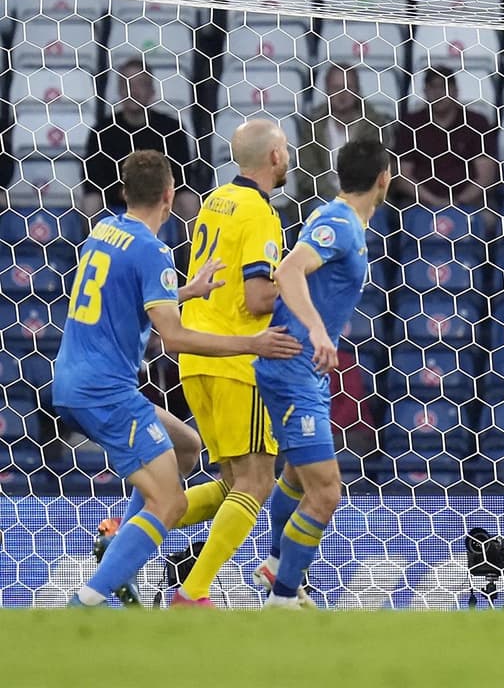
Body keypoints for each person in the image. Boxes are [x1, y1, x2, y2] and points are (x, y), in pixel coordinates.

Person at [55, 149, 300, 607]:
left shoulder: (104, 231)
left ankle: (118, 542)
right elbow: (173, 337)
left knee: (187, 446)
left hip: (76, 380)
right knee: (169, 503)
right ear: (170, 196)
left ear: (124, 191)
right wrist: (252, 344)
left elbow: (125, 294)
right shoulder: (154, 250)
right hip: (106, 391)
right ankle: (87, 600)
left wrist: (186, 290)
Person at [253, 138, 392, 608]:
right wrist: (317, 330)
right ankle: (284, 597)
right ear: (383, 180)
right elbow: (289, 271)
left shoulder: (335, 216)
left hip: (300, 367)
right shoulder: (340, 224)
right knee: (327, 492)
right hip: (294, 363)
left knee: (296, 473)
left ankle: (276, 564)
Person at [171, 119, 291, 607]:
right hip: (239, 360)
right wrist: (306, 283)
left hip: (197, 357)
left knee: (229, 487)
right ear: (275, 158)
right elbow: (259, 296)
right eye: (285, 148)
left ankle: (125, 534)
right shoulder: (261, 213)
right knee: (257, 483)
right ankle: (194, 594)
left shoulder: (214, 201)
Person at [81, 59, 199, 224]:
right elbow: (93, 180)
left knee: (190, 202)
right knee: (90, 204)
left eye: (140, 84)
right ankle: (95, 249)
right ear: (119, 91)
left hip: (161, 199)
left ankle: (187, 250)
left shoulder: (172, 128)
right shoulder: (102, 131)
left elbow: (182, 176)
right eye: (126, 85)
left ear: (152, 91)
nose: (133, 91)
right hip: (117, 199)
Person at [296, 64, 393, 220]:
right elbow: (306, 172)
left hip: (366, 197)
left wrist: (355, 197)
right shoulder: (313, 126)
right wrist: (337, 197)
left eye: (348, 87)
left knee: (377, 217)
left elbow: (380, 170)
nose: (342, 94)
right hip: (323, 198)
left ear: (357, 90)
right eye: (336, 88)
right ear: (326, 90)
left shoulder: (374, 124)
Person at [392, 67, 498, 210]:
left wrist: (458, 202)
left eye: (444, 87)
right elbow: (403, 177)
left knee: (488, 219)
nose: (438, 93)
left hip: (471, 202)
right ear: (425, 92)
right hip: (420, 202)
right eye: (432, 87)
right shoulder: (411, 124)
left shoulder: (476, 122)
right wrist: (434, 202)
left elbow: (486, 176)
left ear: (456, 91)